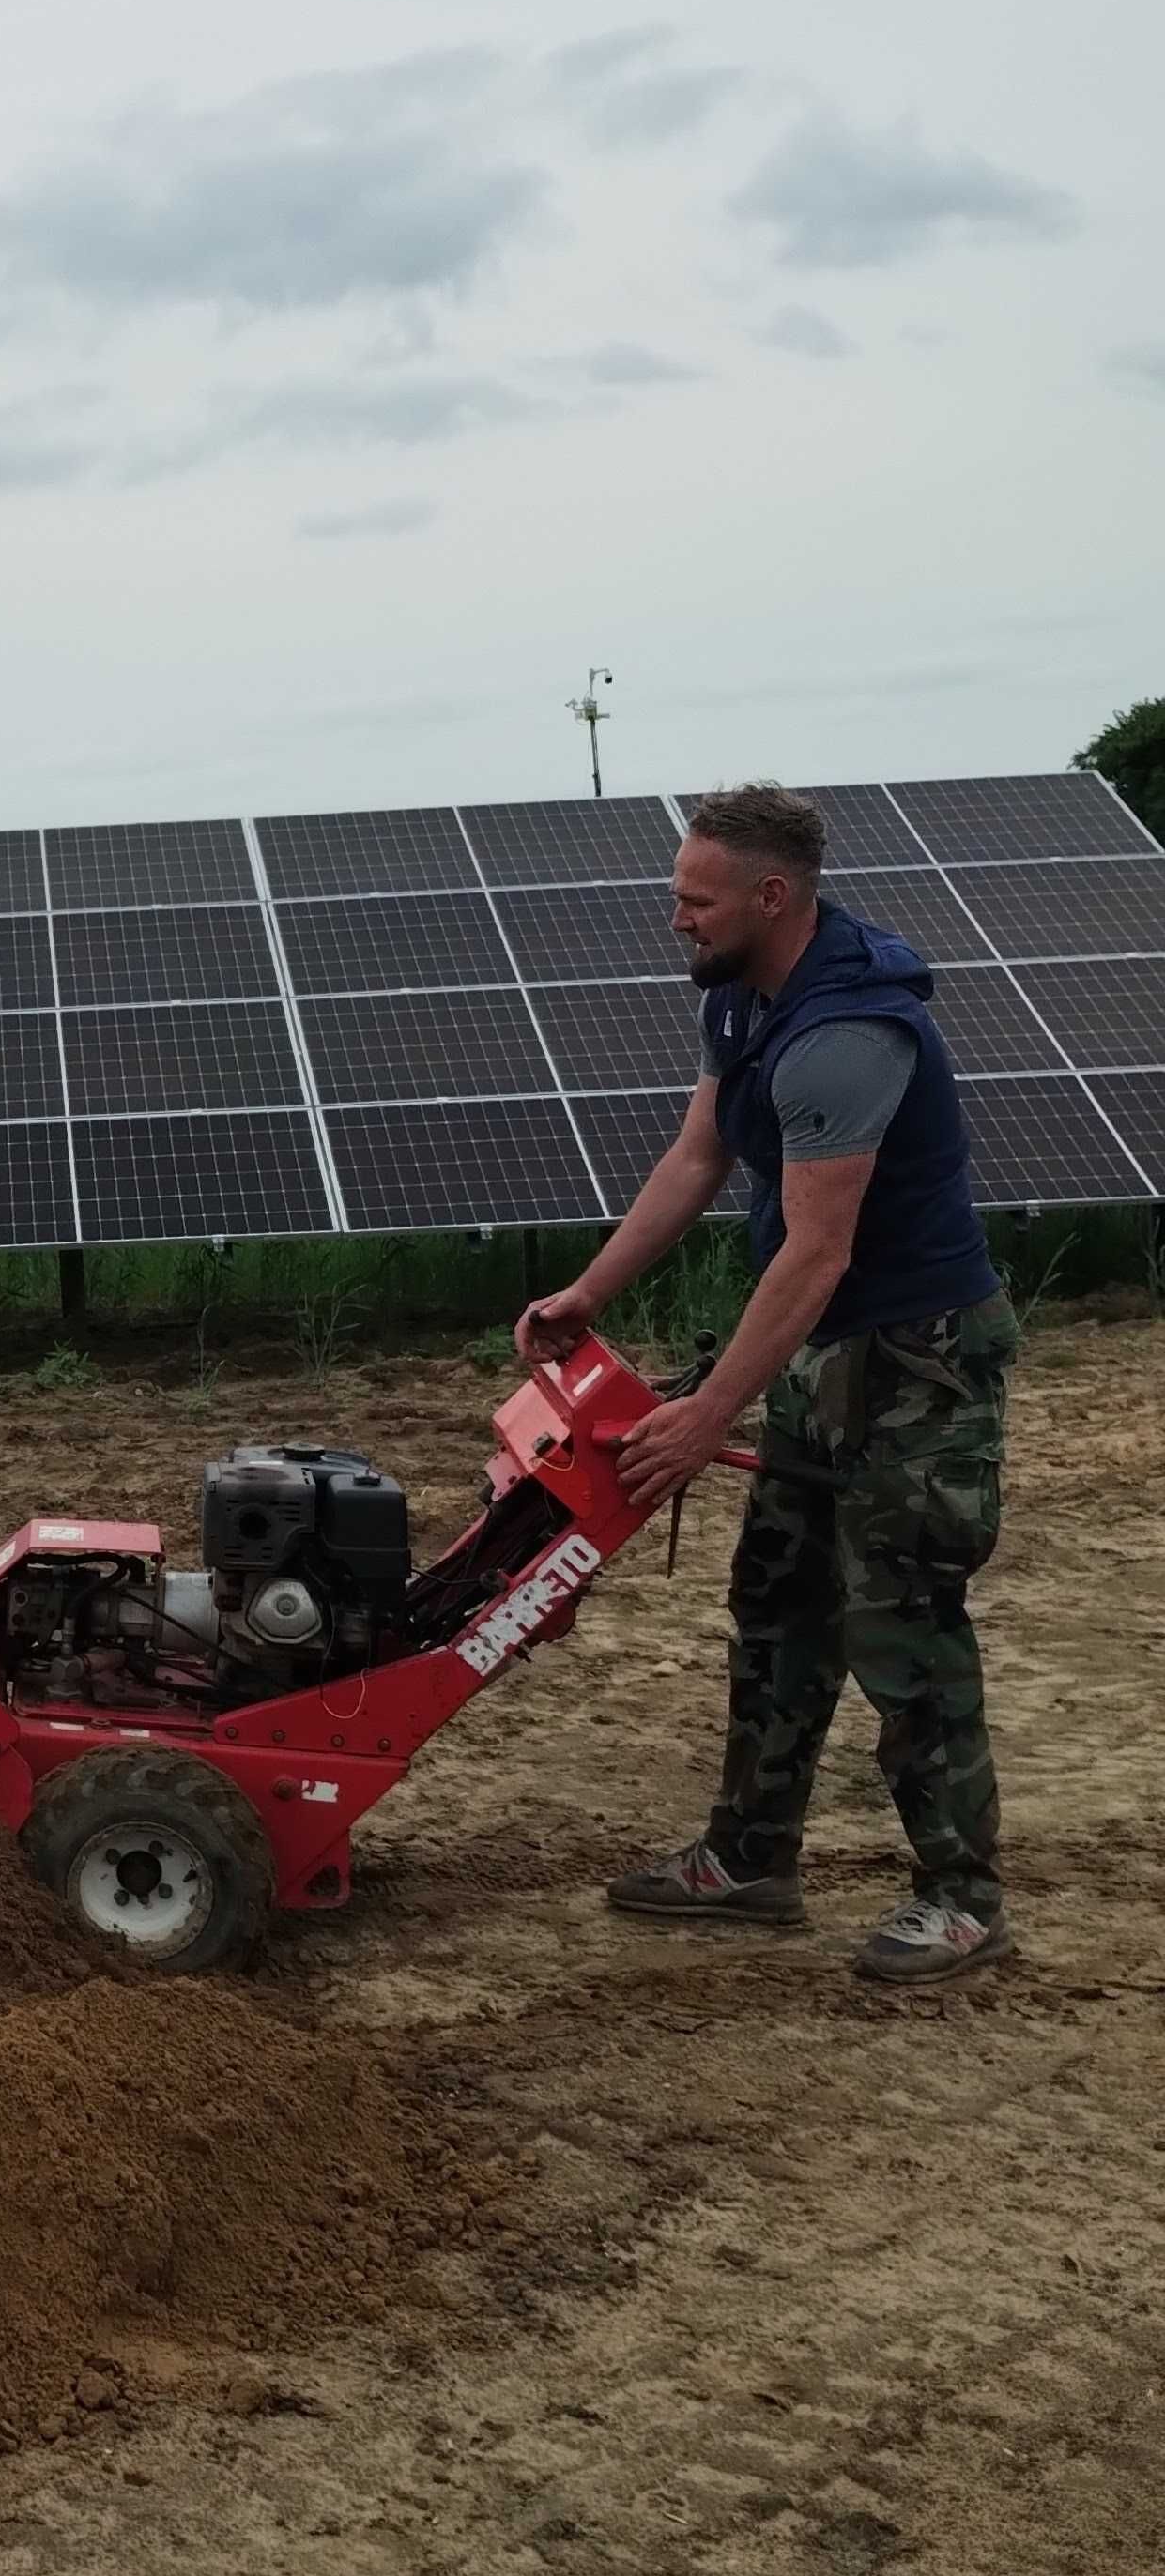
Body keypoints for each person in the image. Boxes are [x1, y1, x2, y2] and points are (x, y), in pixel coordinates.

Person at [515, 782, 1019, 1985]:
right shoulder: (746, 1002)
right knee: (781, 1601)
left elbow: (818, 1250)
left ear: (771, 896)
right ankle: (749, 1863)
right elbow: (701, 1155)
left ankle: (963, 1899)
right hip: (821, 1354)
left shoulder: (848, 1033)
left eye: (696, 901)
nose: (675, 920)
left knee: (901, 1622)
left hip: (918, 1364)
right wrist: (589, 1291)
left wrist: (704, 1416)